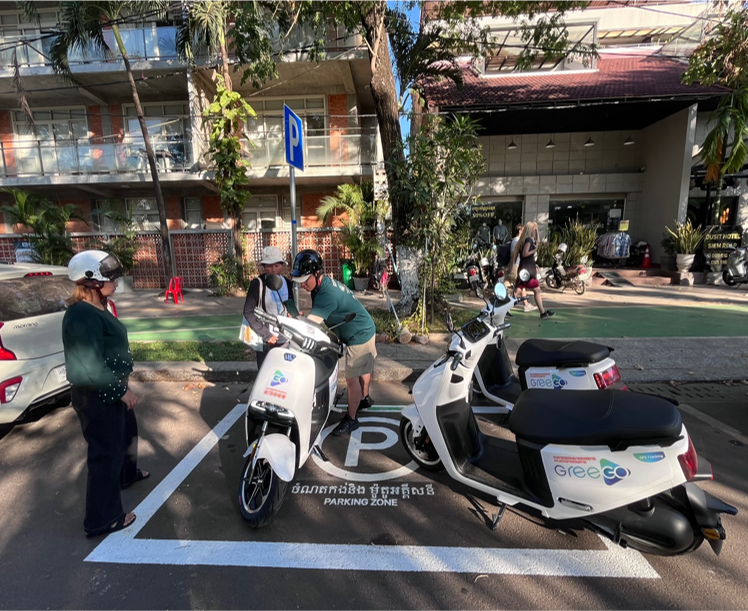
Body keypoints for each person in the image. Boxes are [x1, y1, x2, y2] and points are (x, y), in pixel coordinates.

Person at [62, 250, 149, 537]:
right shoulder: (81, 314)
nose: (116, 280)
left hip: (109, 386)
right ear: (91, 281)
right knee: (104, 455)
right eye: (110, 276)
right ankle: (101, 519)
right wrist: (121, 391)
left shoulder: (101, 306)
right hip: (96, 394)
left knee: (126, 435)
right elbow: (90, 364)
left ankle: (127, 475)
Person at [291, 249, 376, 436]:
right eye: (299, 281)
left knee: (352, 378)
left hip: (360, 334)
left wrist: (296, 319)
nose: (302, 284)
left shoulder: (325, 294)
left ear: (317, 273)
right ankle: (364, 398)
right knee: (363, 368)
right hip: (364, 326)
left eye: (305, 280)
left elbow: (309, 328)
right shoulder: (321, 285)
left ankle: (351, 419)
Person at [242, 246, 299, 370]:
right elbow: (248, 311)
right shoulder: (257, 284)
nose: (273, 269)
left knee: (285, 373)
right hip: (266, 339)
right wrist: (266, 335)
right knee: (266, 373)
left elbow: (290, 305)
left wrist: (295, 315)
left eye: (277, 265)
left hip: (285, 338)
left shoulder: (287, 283)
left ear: (282, 265)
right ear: (264, 267)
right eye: (269, 266)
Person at [511, 222, 555, 320]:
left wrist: (537, 231)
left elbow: (537, 242)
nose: (534, 231)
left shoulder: (526, 240)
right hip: (528, 270)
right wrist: (534, 250)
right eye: (534, 229)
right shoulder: (528, 240)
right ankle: (542, 312)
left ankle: (505, 309)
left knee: (519, 290)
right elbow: (525, 253)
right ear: (530, 230)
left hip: (526, 269)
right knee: (533, 290)